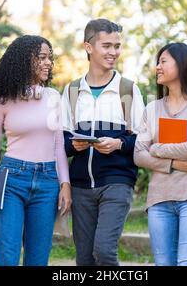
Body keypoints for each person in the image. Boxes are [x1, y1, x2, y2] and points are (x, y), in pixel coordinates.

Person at [0, 35, 71, 266]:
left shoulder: (53, 97)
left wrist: (65, 184)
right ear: (23, 61)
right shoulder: (0, 101)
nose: (48, 63)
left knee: (38, 258)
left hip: (48, 182)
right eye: (42, 57)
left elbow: (58, 145)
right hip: (11, 181)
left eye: (50, 57)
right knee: (7, 254)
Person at [61, 18, 145, 266]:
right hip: (80, 186)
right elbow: (61, 141)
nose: (114, 52)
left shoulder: (128, 90)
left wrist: (118, 144)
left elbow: (142, 139)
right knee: (84, 259)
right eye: (107, 46)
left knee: (105, 252)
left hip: (117, 182)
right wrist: (72, 145)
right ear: (89, 47)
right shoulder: (72, 90)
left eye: (117, 46)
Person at [134, 42, 187, 266]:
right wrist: (172, 163)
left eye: (163, 61)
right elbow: (138, 155)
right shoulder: (152, 109)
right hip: (159, 200)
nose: (157, 67)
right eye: (157, 63)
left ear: (181, 65)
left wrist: (157, 148)